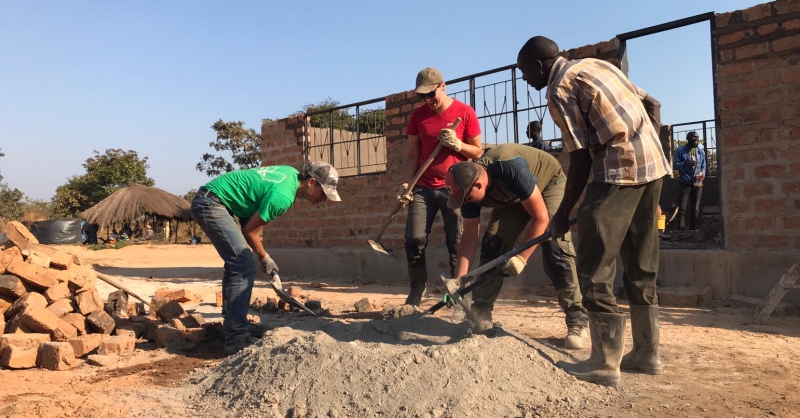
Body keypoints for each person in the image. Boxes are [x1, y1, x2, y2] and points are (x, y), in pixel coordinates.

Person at [517, 36, 670, 387]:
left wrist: (564, 213)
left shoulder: (559, 89)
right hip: (654, 166)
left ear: (540, 67)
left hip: (618, 171)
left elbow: (581, 157)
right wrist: (652, 149)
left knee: (594, 263)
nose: (525, 79)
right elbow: (654, 105)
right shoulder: (598, 65)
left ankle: (604, 362)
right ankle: (647, 354)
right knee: (642, 264)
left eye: (525, 72)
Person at [444, 143, 589, 348]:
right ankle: (480, 315)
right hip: (514, 197)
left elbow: (540, 218)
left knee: (554, 245)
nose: (465, 202)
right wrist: (460, 281)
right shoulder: (467, 185)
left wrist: (522, 258)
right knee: (493, 245)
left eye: (465, 198)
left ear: (478, 185)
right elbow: (469, 236)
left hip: (548, 184)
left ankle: (577, 320)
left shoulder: (510, 168)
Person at [191, 162, 341, 354]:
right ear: (312, 182)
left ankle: (234, 325)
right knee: (243, 263)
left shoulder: (290, 173)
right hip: (211, 203)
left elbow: (251, 209)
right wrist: (265, 258)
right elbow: (250, 231)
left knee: (237, 263)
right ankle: (236, 337)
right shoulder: (283, 197)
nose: (324, 200)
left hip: (214, 199)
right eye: (324, 193)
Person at [399, 67, 482, 309]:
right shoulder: (418, 116)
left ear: (443, 86)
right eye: (421, 96)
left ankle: (460, 295)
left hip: (454, 189)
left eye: (430, 94)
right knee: (413, 239)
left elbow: (477, 151)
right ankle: (416, 290)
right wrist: (406, 182)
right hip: (423, 188)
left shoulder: (465, 112)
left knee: (456, 242)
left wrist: (458, 145)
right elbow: (413, 154)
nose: (427, 101)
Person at [673, 131, 706, 231]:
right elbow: (675, 165)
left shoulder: (701, 152)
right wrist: (685, 163)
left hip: (697, 181)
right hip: (685, 182)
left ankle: (693, 229)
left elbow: (704, 166)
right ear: (688, 138)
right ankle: (681, 229)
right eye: (693, 137)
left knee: (695, 208)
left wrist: (701, 176)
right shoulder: (680, 151)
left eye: (697, 137)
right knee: (682, 208)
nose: (696, 139)